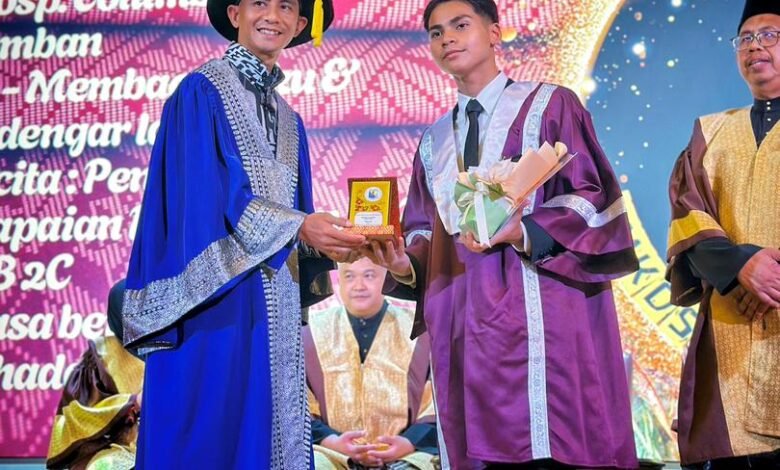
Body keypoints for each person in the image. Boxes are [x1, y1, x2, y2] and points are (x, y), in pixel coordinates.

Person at [360, 0, 639, 468]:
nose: (447, 38)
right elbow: (424, 230)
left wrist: (523, 229)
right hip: (464, 323)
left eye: (460, 25)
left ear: (494, 33)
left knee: (555, 446)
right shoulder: (432, 142)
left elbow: (592, 197)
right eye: (435, 32)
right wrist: (402, 263)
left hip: (545, 314)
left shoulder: (550, 105)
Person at [120, 0, 366, 467]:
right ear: (235, 14)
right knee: (209, 437)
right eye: (259, 3)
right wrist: (300, 226)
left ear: (300, 23)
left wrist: (332, 240)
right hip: (211, 308)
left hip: (273, 311)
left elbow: (299, 214)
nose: (272, 15)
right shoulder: (200, 92)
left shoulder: (291, 119)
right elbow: (204, 200)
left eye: (286, 6)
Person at [666, 1, 780, 468]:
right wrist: (742, 267)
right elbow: (688, 215)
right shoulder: (711, 132)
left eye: (769, 35)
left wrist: (771, 278)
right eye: (745, 39)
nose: (754, 47)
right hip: (730, 323)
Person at [304, 257, 438, 469]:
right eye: (349, 276)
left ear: (385, 278)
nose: (359, 286)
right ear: (339, 279)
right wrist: (332, 441)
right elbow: (300, 407)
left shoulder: (418, 332)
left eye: (369, 276)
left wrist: (409, 442)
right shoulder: (311, 333)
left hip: (407, 454)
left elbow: (436, 404)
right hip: (333, 454)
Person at [47, 280, 144, 470]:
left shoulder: (178, 350)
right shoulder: (102, 354)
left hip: (173, 443)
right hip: (121, 449)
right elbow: (75, 415)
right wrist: (129, 404)